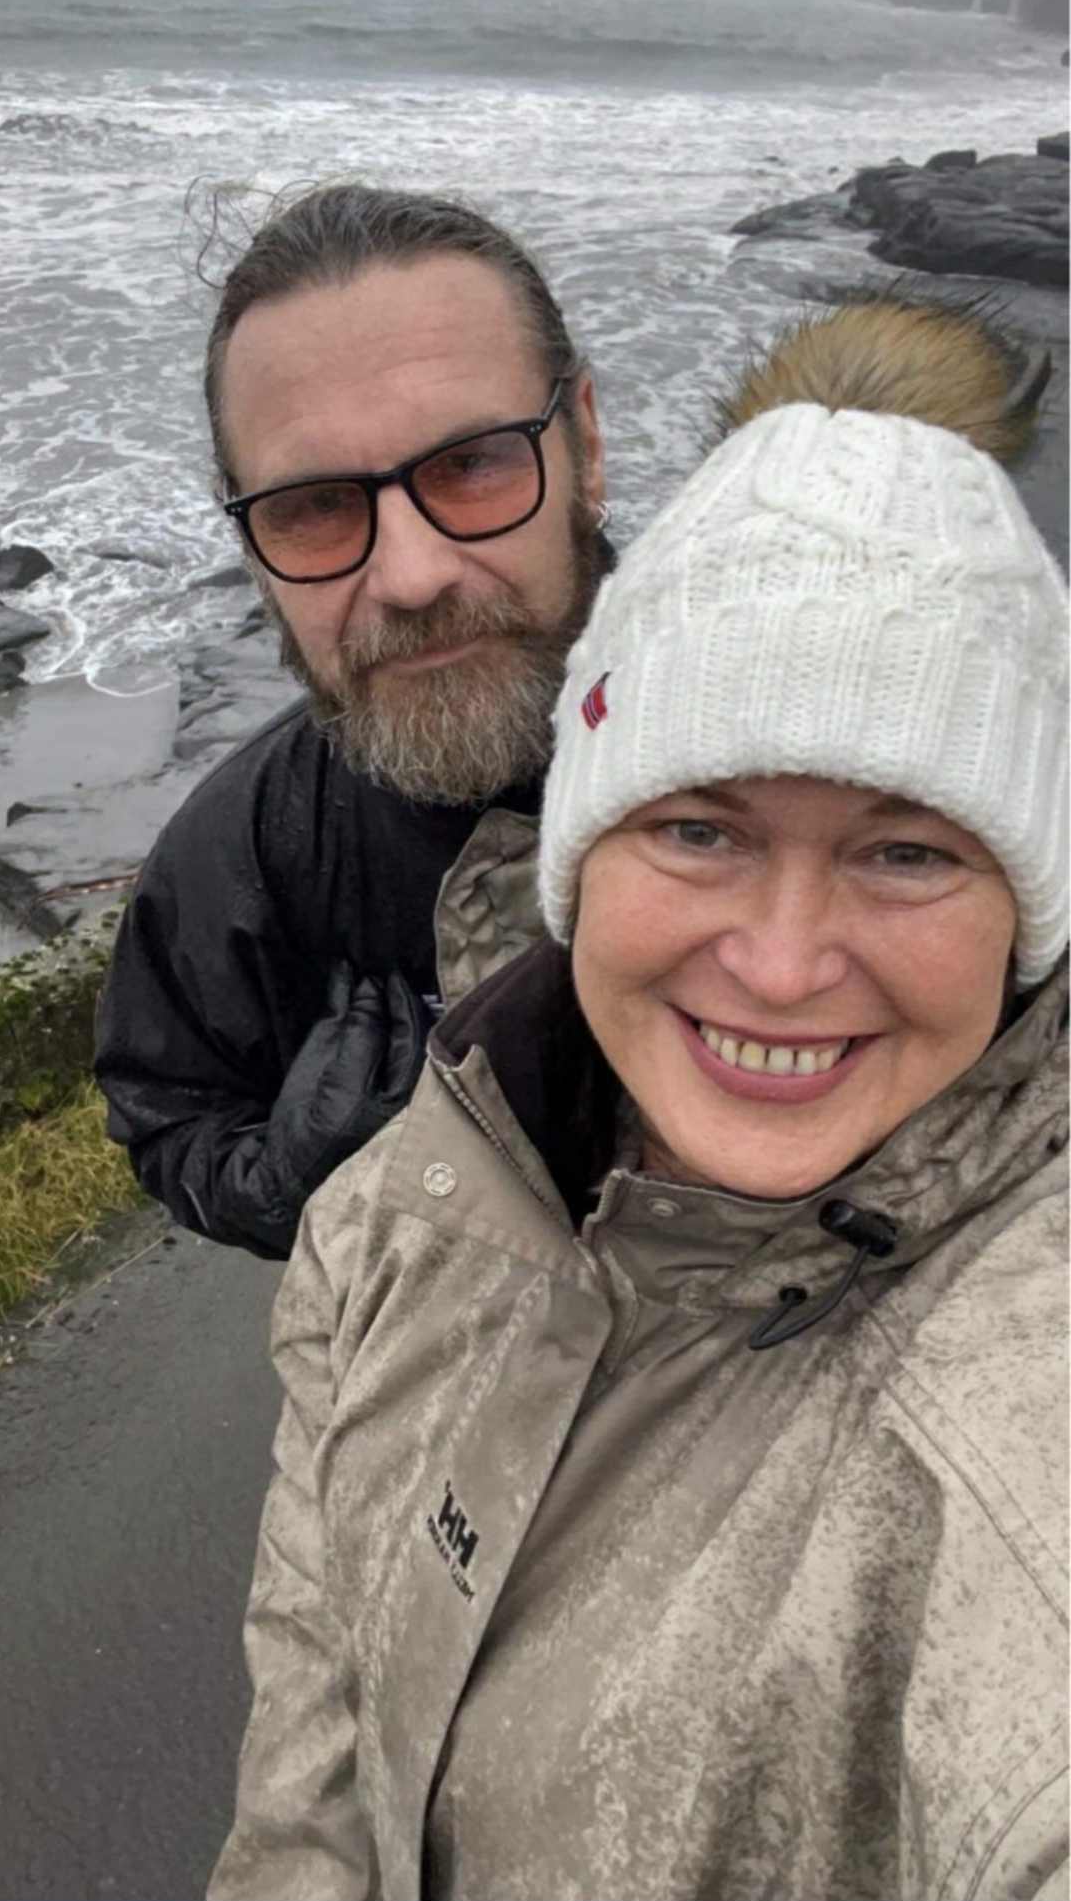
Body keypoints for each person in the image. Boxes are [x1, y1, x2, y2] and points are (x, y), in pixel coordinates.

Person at [209, 296, 1068, 1901]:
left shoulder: (1017, 1423)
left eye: (906, 850)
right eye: (699, 829)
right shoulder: (395, 1215)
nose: (784, 963)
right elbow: (309, 1767)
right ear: (579, 848)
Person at [94, 183, 607, 1257]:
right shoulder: (235, 853)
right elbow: (169, 1112)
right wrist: (288, 1186)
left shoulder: (817, 747)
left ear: (586, 446)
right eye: (315, 506)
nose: (412, 576)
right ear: (249, 542)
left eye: (471, 464)